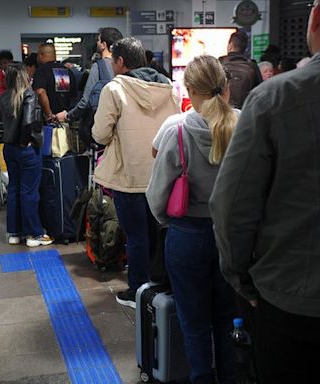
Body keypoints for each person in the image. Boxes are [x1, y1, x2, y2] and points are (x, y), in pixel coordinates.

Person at [209, 1, 320, 383]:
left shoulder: (275, 98)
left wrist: (242, 281)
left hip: (294, 306)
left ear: (317, 17)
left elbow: (231, 207)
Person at [147, 55, 238, 384]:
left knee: (194, 322)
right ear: (227, 88)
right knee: (229, 319)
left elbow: (156, 195)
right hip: (234, 236)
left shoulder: (178, 129)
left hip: (187, 236)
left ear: (189, 90)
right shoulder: (245, 125)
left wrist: (170, 223)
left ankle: (201, 378)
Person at [92, 37, 180, 308]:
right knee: (158, 233)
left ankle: (137, 290)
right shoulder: (169, 88)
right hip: (161, 174)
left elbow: (100, 133)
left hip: (128, 175)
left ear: (120, 62)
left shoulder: (114, 89)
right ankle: (159, 284)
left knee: (136, 237)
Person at [0, 63, 53, 248]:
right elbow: (29, 122)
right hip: (26, 149)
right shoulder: (29, 94)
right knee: (29, 191)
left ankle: (15, 232)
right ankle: (34, 233)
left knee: (14, 189)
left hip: (9, 148)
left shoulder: (4, 96)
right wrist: (25, 142)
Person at [56, 27, 123, 124]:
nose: (97, 43)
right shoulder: (122, 65)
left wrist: (68, 116)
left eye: (99, 41)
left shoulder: (99, 66)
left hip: (101, 123)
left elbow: (85, 101)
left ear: (103, 45)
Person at [33, 42, 77, 123]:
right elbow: (73, 96)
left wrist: (49, 114)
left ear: (41, 55)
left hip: (48, 121)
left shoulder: (41, 71)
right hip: (65, 118)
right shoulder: (67, 71)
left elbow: (40, 92)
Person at [219, 30, 262, 108]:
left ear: (230, 45)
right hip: (244, 112)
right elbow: (259, 92)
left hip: (222, 112)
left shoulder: (219, 63)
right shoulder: (252, 65)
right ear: (245, 48)